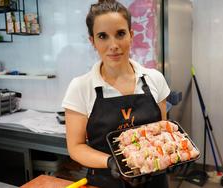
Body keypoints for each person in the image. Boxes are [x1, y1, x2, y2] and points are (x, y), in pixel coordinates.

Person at [62, 0, 170, 187]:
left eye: (120, 34)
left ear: (131, 35)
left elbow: (160, 131)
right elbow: (76, 147)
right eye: (103, 36)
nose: (113, 45)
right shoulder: (80, 87)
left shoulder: (155, 79)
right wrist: (112, 162)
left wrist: (170, 153)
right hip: (106, 181)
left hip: (154, 180)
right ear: (92, 41)